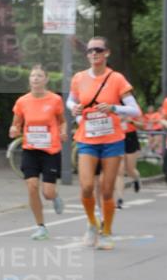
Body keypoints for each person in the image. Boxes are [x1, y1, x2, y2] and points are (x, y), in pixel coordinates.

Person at [67, 36, 140, 250]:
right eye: (90, 50)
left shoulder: (116, 79)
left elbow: (135, 110)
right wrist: (74, 108)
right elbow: (71, 100)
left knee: (107, 190)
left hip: (112, 140)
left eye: (98, 50)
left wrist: (114, 108)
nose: (94, 53)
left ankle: (106, 232)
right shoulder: (79, 78)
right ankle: (92, 223)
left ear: (106, 53)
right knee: (87, 186)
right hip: (87, 139)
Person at [9, 65, 65, 240]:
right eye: (33, 76)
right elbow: (16, 124)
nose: (35, 79)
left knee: (47, 192)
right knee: (32, 187)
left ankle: (55, 196)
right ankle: (41, 227)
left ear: (46, 79)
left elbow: (62, 121)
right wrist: (13, 130)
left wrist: (63, 131)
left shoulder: (55, 100)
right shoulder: (22, 101)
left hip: (50, 151)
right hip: (30, 150)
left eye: (39, 76)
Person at [114, 113, 142, 208]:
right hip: (117, 137)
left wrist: (131, 121)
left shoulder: (132, 107)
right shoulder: (111, 106)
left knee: (130, 169)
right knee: (119, 171)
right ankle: (120, 199)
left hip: (130, 137)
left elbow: (142, 126)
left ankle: (136, 179)